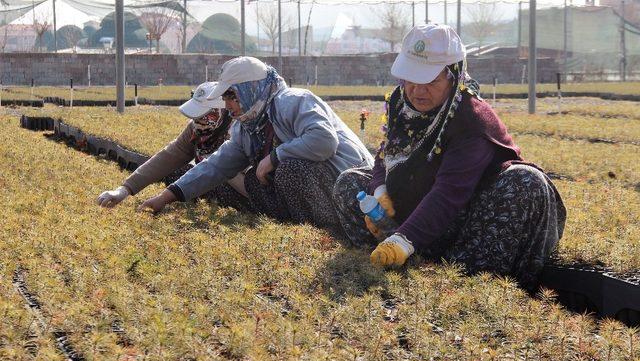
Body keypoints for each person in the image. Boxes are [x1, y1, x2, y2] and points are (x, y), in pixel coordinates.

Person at [333, 24, 566, 290]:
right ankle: (385, 264)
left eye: (431, 81)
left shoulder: (470, 119)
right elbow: (386, 154)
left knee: (526, 181)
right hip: (415, 212)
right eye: (412, 79)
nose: (419, 91)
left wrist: (403, 240)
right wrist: (380, 190)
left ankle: (463, 284)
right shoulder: (401, 102)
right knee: (349, 182)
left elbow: (448, 194)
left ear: (453, 76)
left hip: (466, 222)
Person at [139, 56, 373, 236]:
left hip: (352, 189)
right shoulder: (247, 127)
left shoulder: (292, 101)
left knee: (289, 169)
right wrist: (163, 199)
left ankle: (330, 232)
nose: (227, 105)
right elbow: (215, 166)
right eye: (225, 98)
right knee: (253, 180)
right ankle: (296, 228)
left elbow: (324, 141)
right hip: (318, 192)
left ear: (250, 89)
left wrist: (274, 157)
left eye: (232, 96)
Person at [96, 81, 250, 211]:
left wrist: (215, 160)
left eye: (204, 116)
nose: (198, 122)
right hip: (215, 186)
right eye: (196, 117)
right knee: (183, 171)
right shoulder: (196, 130)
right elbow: (168, 156)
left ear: (223, 111)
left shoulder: (240, 129)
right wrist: (124, 190)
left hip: (248, 192)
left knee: (213, 165)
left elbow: (251, 181)